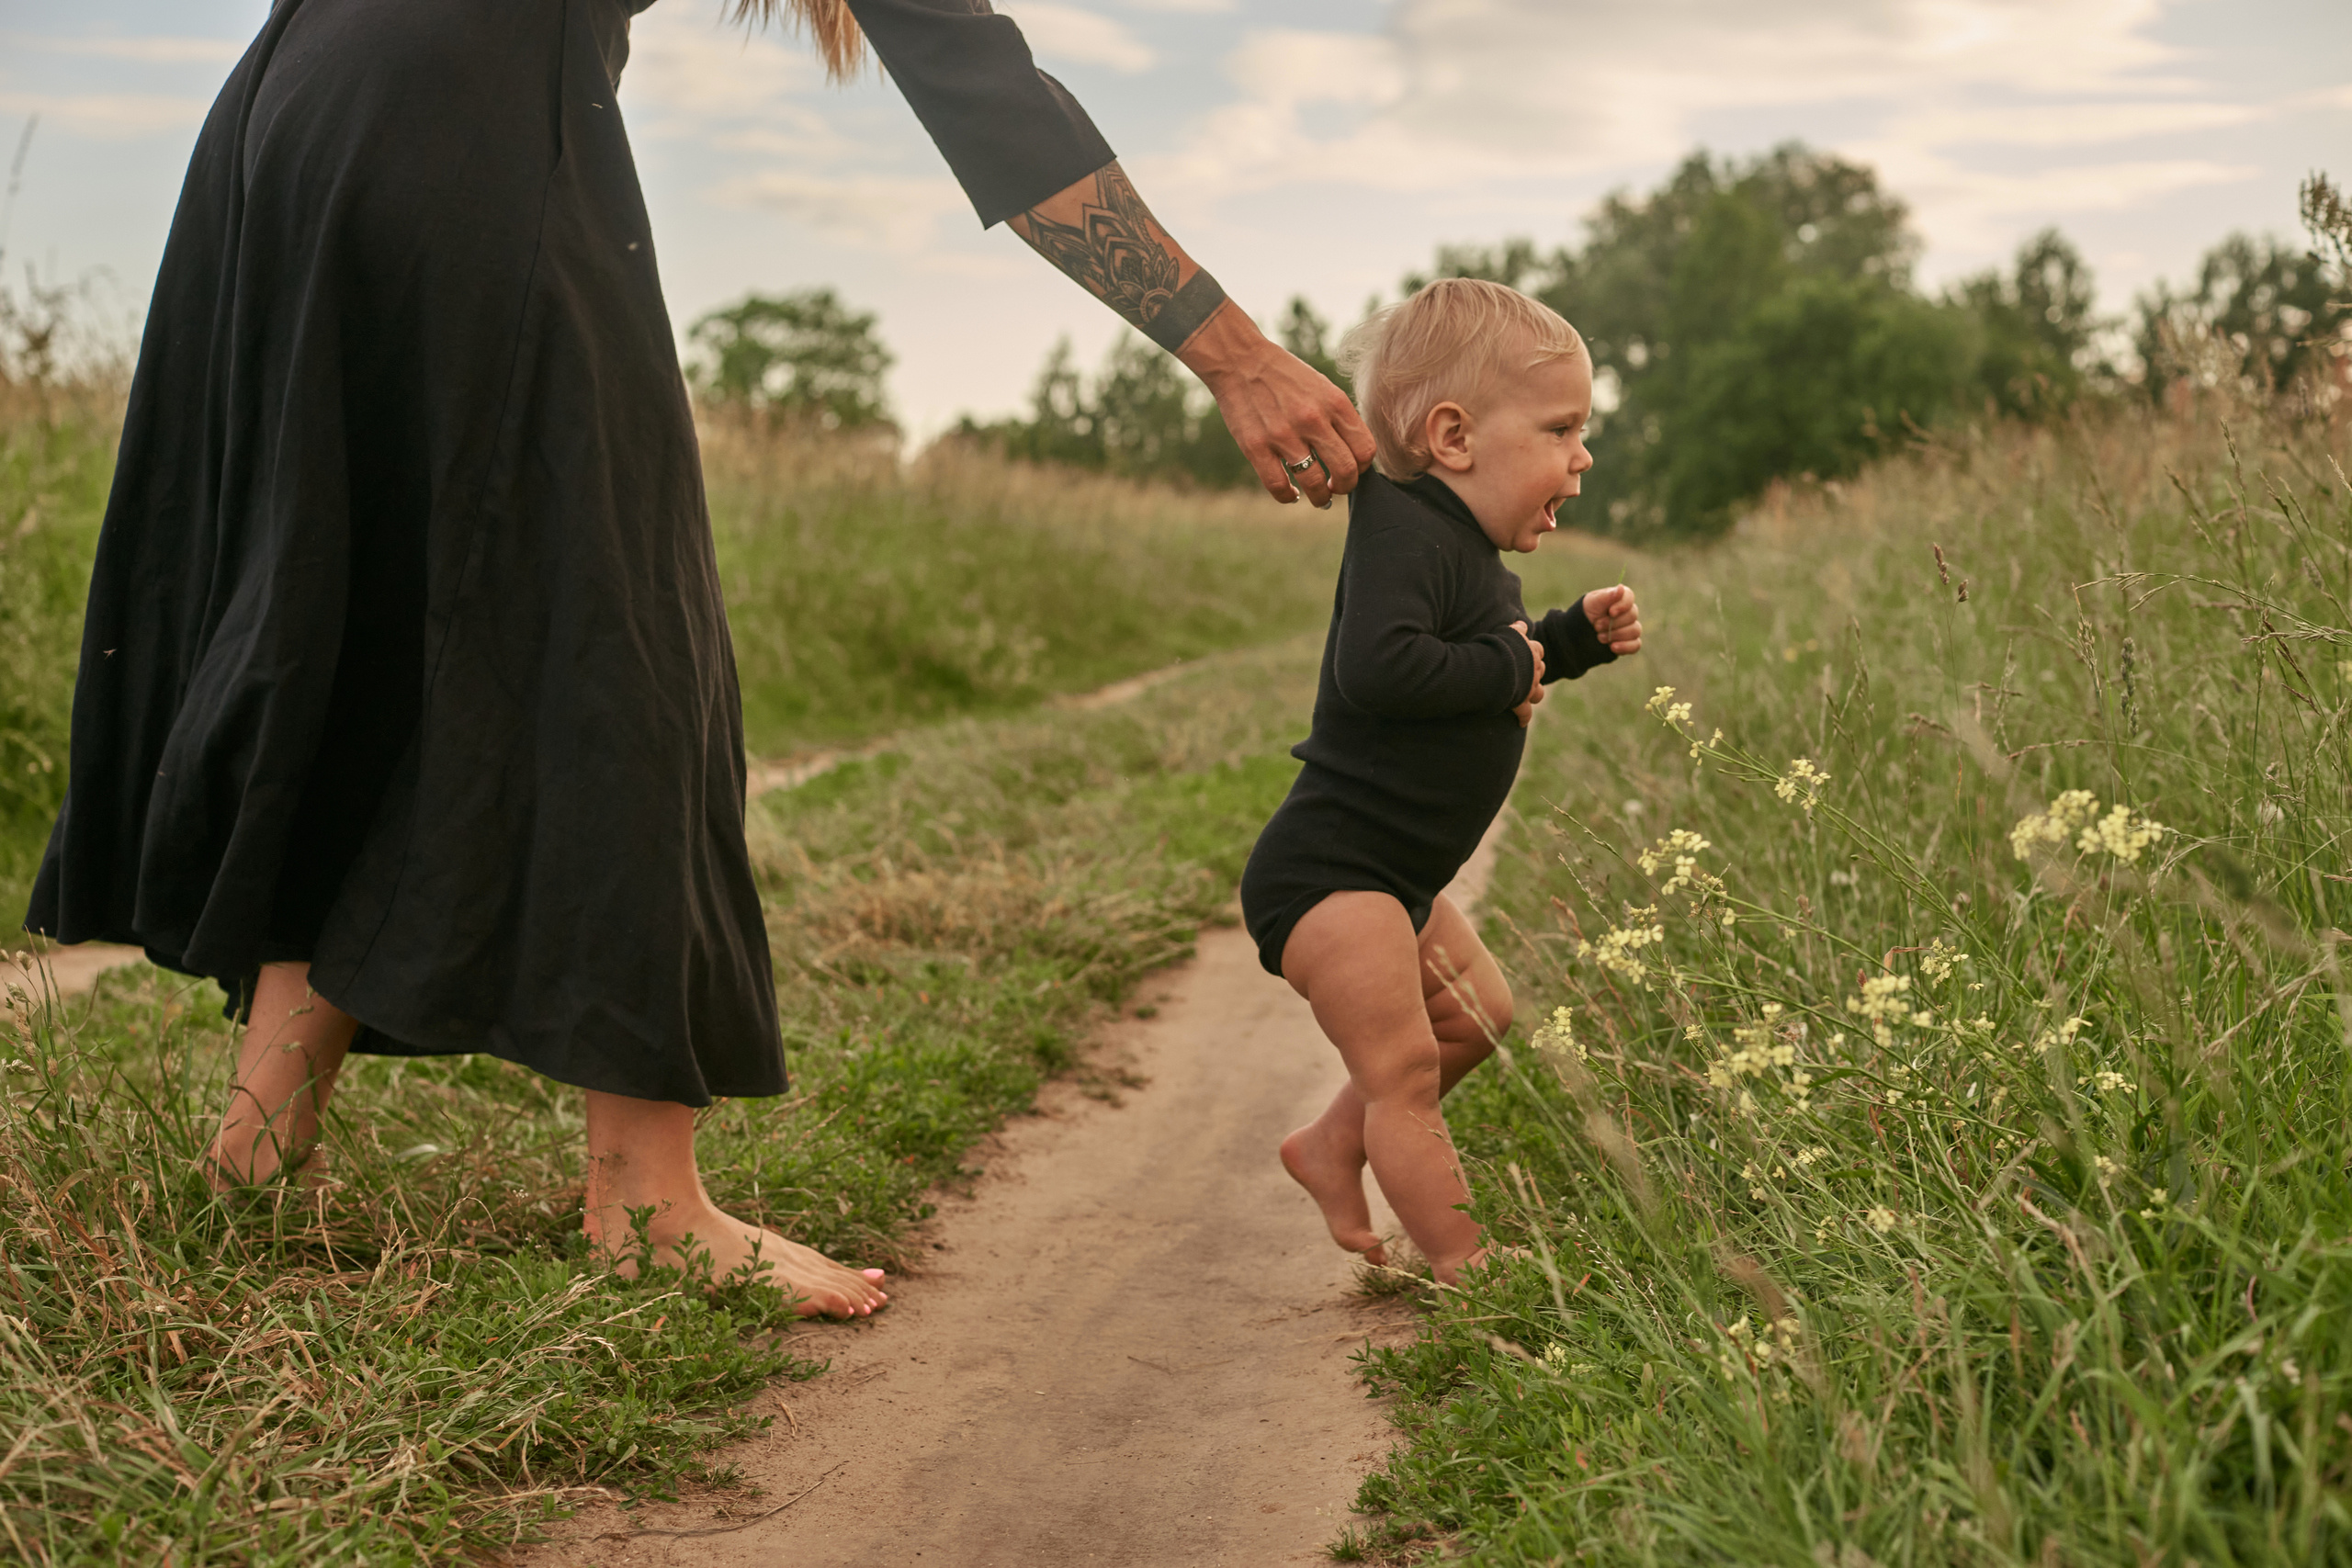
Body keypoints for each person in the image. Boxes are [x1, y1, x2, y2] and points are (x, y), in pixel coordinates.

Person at [24, 0, 1374, 1319]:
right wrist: (1234, 353)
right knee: (631, 637)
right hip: (461, 109)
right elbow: (982, 83)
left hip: (294, 110)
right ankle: (650, 1204)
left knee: (359, 607)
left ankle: (258, 1144)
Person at [1238, 278, 1644, 1287]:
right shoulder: (1400, 530)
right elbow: (1382, 669)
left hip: (1394, 874)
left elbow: (1487, 653)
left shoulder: (1455, 541)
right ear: (1454, 437)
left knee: (1477, 1016)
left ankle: (1329, 1146)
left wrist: (1566, 642)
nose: (1581, 455)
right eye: (1560, 428)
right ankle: (1463, 1264)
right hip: (1335, 871)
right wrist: (1515, 666)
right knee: (1405, 1071)